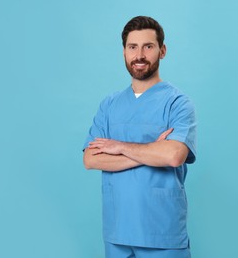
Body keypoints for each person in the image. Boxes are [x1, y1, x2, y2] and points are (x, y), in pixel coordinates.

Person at [82, 16, 197, 258]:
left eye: (148, 46)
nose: (140, 55)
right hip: (117, 233)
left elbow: (175, 155)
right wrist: (153, 150)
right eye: (132, 47)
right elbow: (91, 159)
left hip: (162, 233)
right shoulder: (110, 104)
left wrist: (119, 147)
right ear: (124, 52)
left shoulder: (177, 102)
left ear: (162, 51)